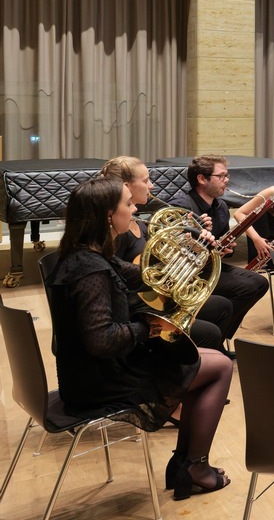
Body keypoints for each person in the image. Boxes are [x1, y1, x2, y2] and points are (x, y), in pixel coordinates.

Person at [49, 178, 233, 500]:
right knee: (219, 367)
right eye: (128, 204)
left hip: (91, 370)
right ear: (109, 215)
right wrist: (146, 329)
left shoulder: (87, 254)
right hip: (100, 381)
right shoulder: (91, 270)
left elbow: (143, 276)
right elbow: (102, 340)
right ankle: (194, 466)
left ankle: (186, 464)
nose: (135, 209)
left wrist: (191, 252)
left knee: (203, 357)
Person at [100, 156, 232, 354]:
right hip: (140, 308)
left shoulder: (138, 223)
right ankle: (193, 367)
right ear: (126, 186)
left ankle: (206, 359)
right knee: (210, 332)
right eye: (145, 181)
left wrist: (193, 245)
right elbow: (117, 278)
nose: (151, 186)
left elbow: (157, 259)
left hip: (155, 296)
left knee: (222, 306)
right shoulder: (119, 231)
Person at [171, 155, 269, 339]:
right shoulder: (182, 205)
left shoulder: (221, 206)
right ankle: (211, 336)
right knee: (244, 289)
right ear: (201, 179)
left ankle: (219, 335)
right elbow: (175, 249)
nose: (227, 181)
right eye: (221, 176)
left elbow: (220, 247)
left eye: (227, 176)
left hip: (210, 266)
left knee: (259, 283)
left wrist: (226, 249)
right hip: (188, 273)